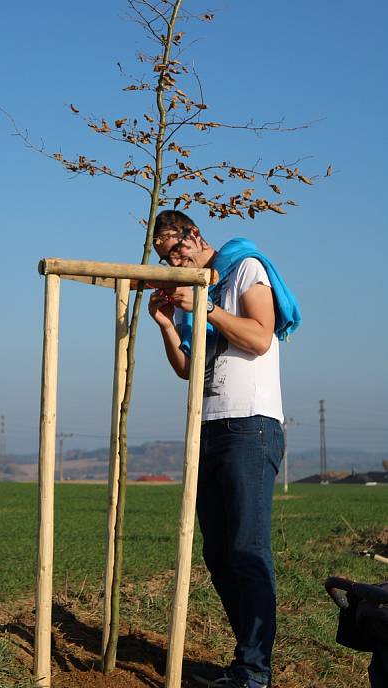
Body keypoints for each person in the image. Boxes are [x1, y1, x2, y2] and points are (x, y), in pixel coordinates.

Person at [148, 210, 301, 688]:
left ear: (194, 234)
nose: (174, 261)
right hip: (209, 428)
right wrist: (168, 325)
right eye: (165, 257)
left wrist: (204, 307)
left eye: (175, 249)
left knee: (247, 549)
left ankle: (255, 673)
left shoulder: (242, 268)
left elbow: (258, 336)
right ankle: (246, 662)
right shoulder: (200, 292)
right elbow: (187, 371)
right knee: (218, 555)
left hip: (250, 426)